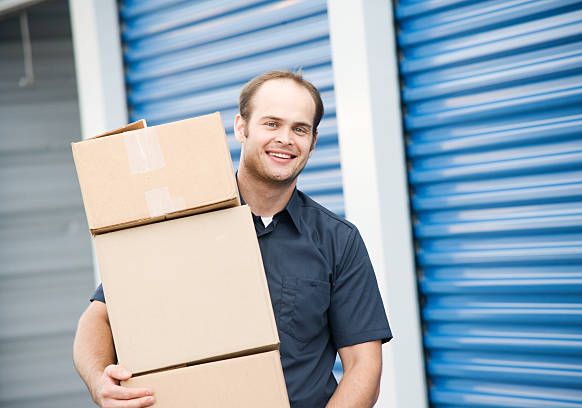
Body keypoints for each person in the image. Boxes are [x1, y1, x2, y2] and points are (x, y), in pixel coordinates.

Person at [73, 70, 392, 408]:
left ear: (312, 143)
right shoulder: (181, 219)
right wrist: (98, 381)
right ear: (242, 128)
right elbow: (99, 318)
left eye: (300, 129)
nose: (285, 138)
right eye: (271, 124)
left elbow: (363, 365)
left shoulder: (338, 241)